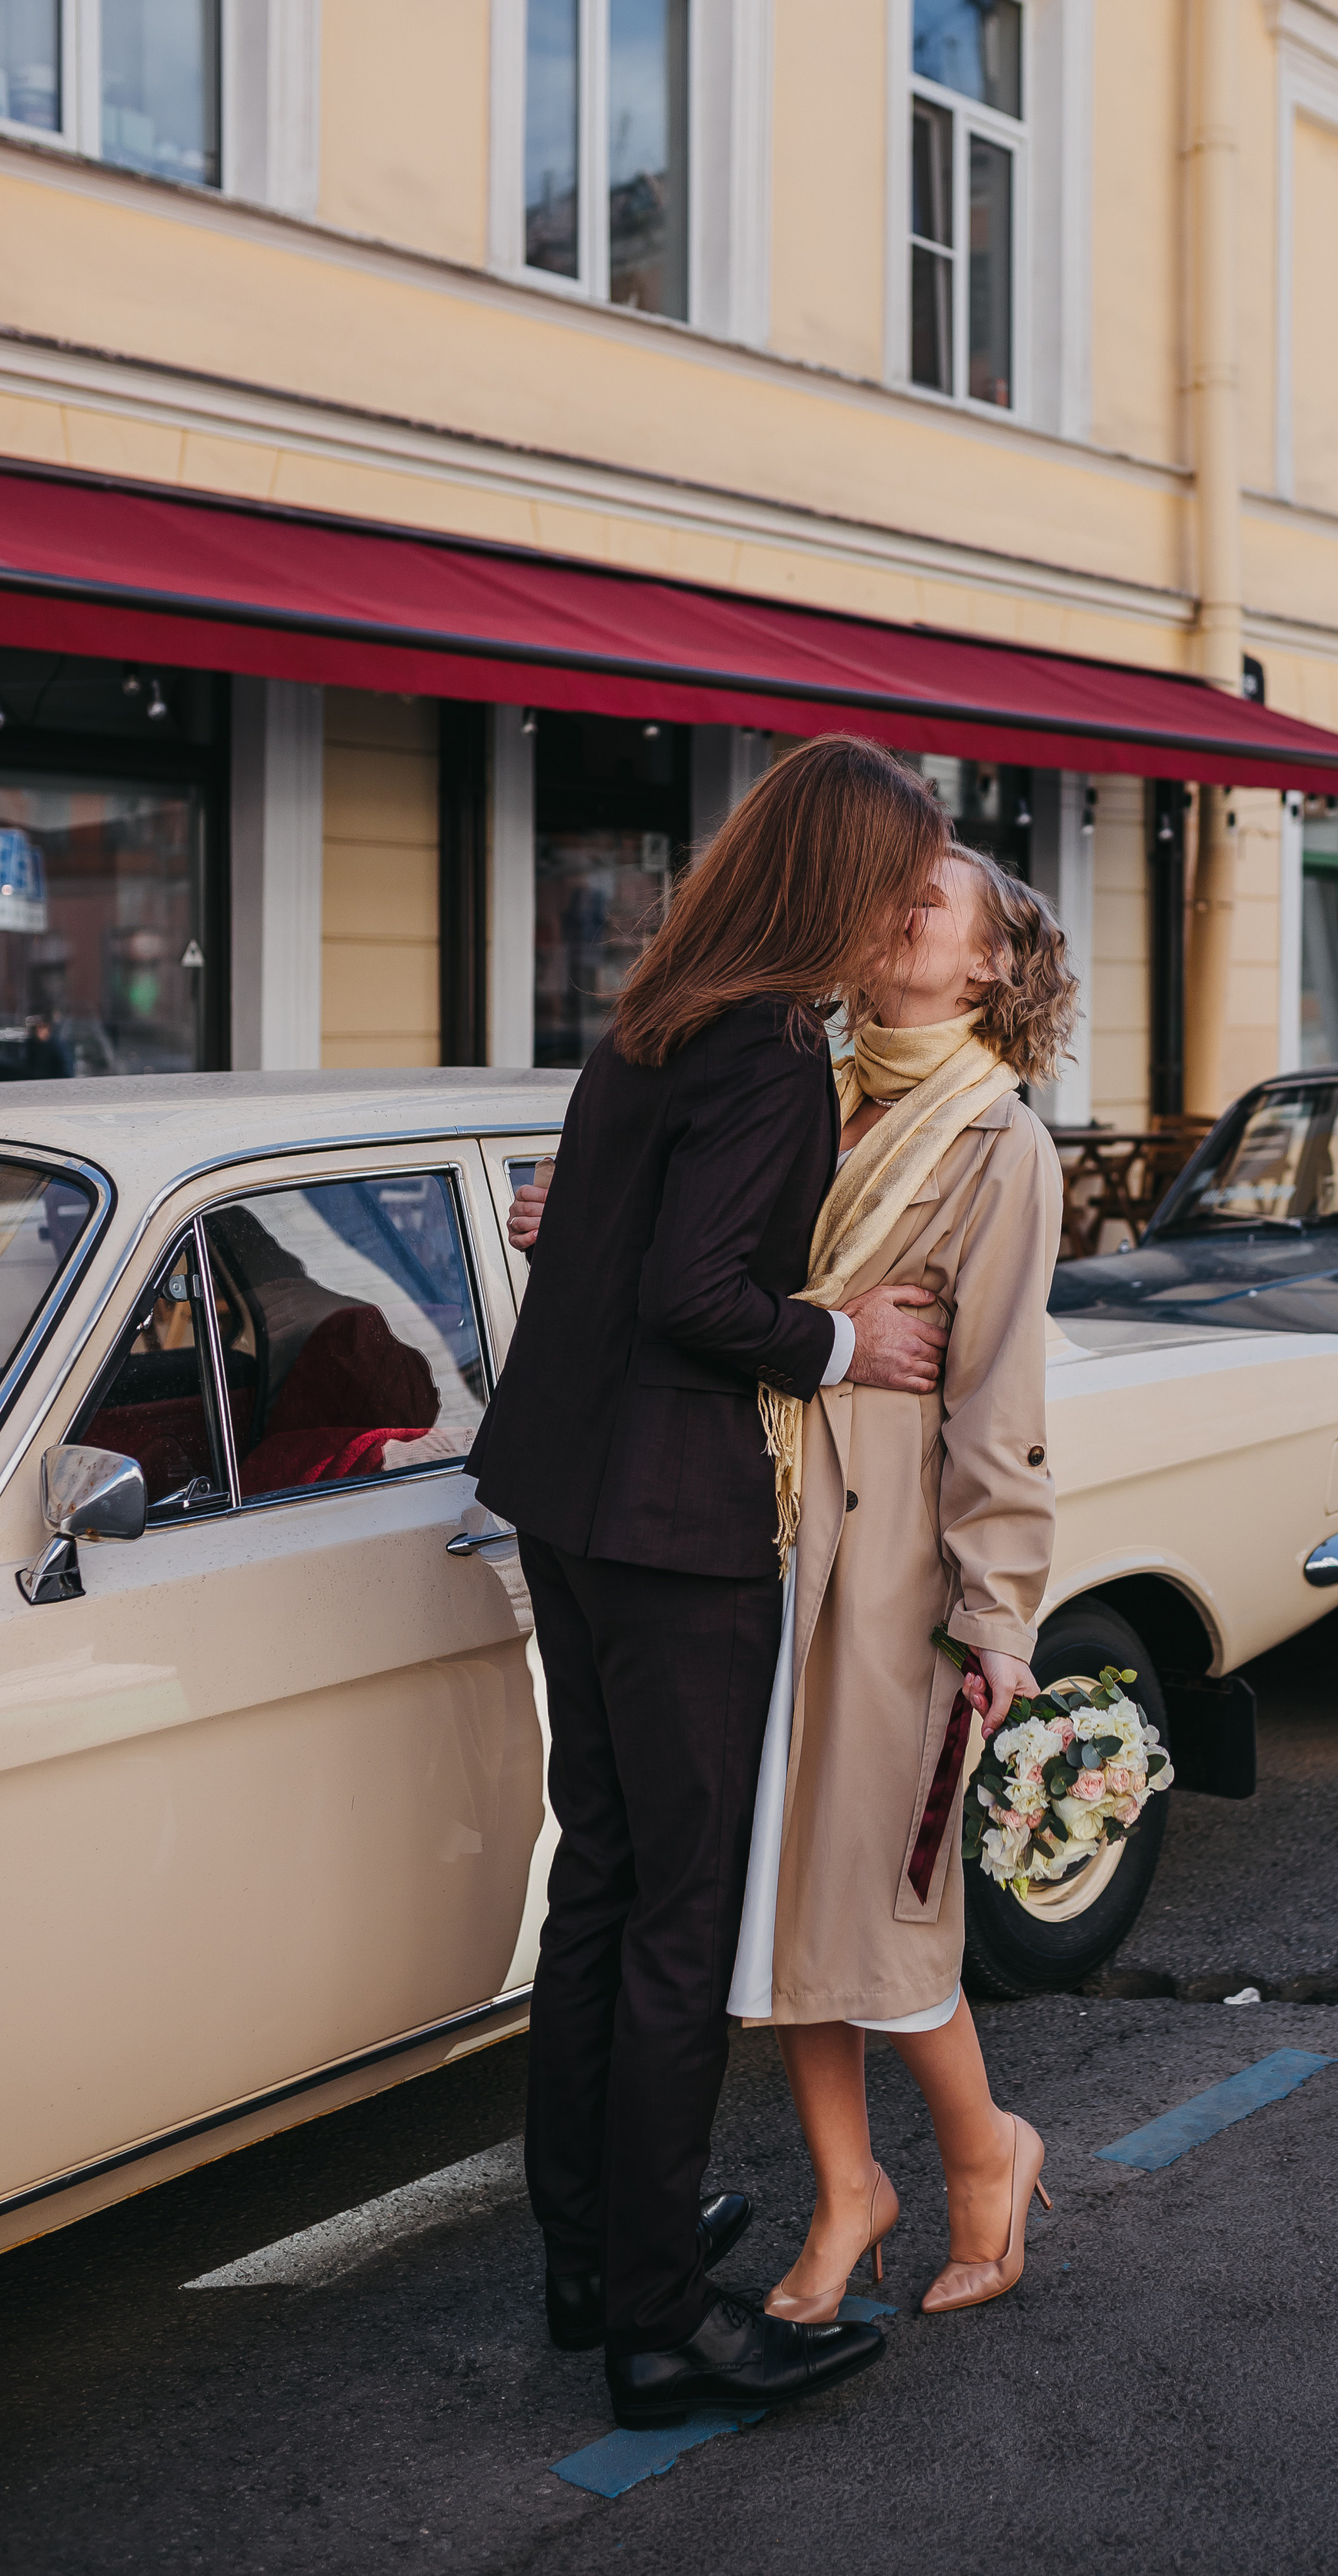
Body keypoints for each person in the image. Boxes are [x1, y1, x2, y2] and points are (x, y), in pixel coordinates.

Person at [509, 841, 1076, 2322]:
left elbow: (998, 1402)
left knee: (884, 1906)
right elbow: (717, 1271)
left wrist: (997, 1613)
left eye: (929, 898)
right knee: (781, 1906)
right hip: (755, 1541)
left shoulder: (1001, 1145)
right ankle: (846, 2194)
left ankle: (985, 2156)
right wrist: (596, 1222)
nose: (895, 905)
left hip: (884, 1572)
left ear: (992, 964)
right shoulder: (810, 1082)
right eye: (888, 883)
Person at [469, 734, 952, 2434]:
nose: (905, 914)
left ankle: (596, 2257)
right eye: (897, 884)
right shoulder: (770, 1049)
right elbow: (695, 1293)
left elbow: (613, 1254)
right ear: (840, 882)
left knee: (601, 1881)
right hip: (676, 1526)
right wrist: (845, 1340)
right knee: (678, 1916)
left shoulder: (658, 1016)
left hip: (563, 1494)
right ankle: (662, 2329)